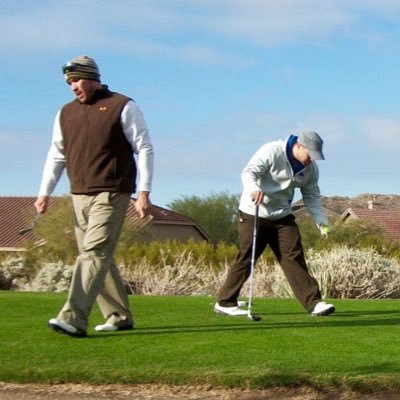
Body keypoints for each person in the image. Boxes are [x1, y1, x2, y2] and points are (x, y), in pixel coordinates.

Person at [35, 55, 154, 337]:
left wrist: (144, 192)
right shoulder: (65, 112)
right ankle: (119, 315)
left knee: (94, 253)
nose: (72, 86)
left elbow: (144, 147)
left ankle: (73, 317)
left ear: (91, 77)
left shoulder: (122, 105)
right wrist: (44, 193)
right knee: (99, 257)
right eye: (69, 82)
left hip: (112, 191)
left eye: (75, 80)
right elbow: (56, 155)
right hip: (78, 195)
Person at [214, 131, 335, 317]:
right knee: (248, 256)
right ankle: (226, 302)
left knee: (294, 256)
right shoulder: (271, 151)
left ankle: (314, 303)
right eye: (310, 154)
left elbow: (311, 195)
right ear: (299, 146)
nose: (311, 160)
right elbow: (249, 173)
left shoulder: (310, 169)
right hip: (254, 210)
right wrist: (254, 189)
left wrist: (322, 222)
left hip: (282, 216)